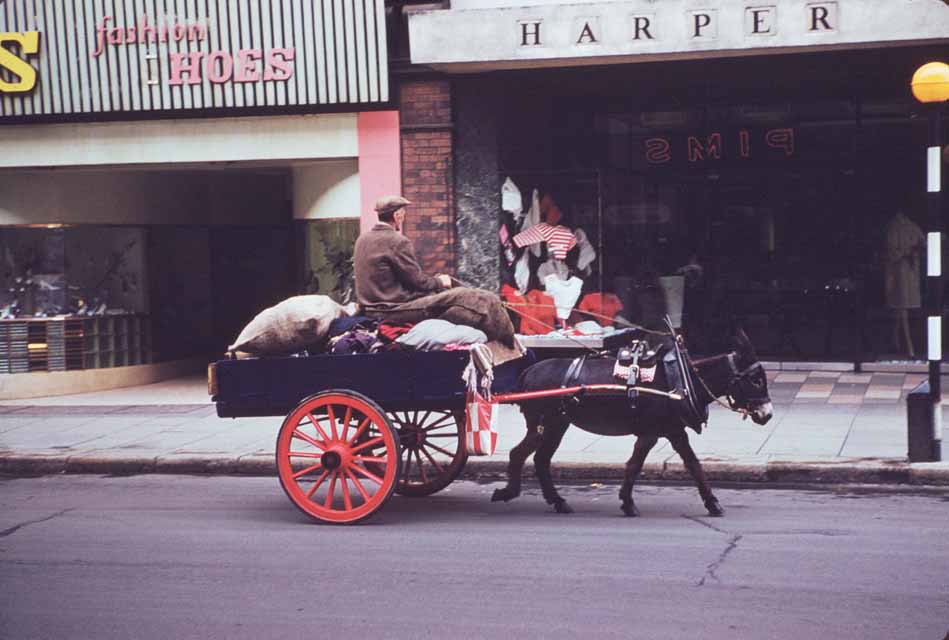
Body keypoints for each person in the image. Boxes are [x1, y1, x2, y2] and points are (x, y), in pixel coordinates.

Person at [354, 195, 524, 365]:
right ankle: (510, 347)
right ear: (397, 215)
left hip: (372, 308)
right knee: (480, 298)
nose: (403, 217)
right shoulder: (396, 241)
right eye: (403, 213)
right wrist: (440, 282)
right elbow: (419, 283)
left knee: (453, 295)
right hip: (394, 309)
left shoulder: (362, 240)